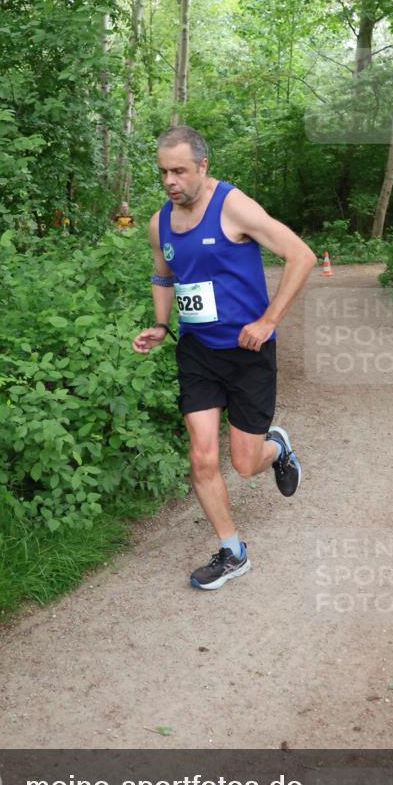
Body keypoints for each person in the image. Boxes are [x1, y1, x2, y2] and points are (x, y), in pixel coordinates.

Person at [132, 126, 317, 591]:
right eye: (163, 173)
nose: (170, 181)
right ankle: (232, 551)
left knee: (245, 463)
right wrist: (159, 325)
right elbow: (163, 274)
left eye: (179, 171)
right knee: (201, 457)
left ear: (203, 167)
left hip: (247, 352)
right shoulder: (160, 223)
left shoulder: (233, 206)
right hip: (197, 352)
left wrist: (269, 320)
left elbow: (301, 256)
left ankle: (278, 448)